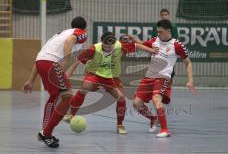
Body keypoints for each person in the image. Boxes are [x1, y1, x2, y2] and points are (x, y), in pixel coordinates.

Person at [62, 32, 158, 135]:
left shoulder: (119, 46)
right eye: (106, 46)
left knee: (121, 97)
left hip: (112, 78)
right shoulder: (94, 49)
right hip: (95, 75)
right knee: (84, 88)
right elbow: (77, 60)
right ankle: (71, 114)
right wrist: (68, 75)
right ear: (102, 42)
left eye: (110, 46)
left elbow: (136, 45)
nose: (108, 48)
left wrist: (151, 50)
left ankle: (120, 125)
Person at [22, 16, 88, 148]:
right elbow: (70, 41)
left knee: (56, 96)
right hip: (52, 64)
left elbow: (41, 57)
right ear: (84, 28)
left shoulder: (59, 35)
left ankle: (45, 130)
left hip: (42, 62)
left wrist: (30, 80)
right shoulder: (80, 33)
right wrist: (66, 60)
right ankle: (46, 133)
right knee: (67, 98)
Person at [133, 19, 196, 138]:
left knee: (157, 99)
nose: (158, 34)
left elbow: (188, 63)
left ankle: (165, 130)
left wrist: (190, 80)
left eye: (160, 31)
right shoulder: (154, 40)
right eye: (157, 31)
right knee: (136, 104)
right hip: (149, 76)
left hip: (163, 77)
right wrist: (134, 40)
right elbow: (142, 44)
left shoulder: (177, 45)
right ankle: (153, 118)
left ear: (168, 31)